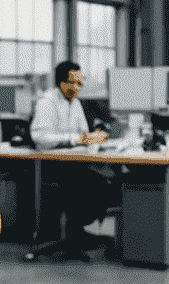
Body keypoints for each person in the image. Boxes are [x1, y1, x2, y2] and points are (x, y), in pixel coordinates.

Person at [29, 60, 115, 256]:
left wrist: (95, 139)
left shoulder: (75, 103)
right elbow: (40, 137)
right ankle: (72, 234)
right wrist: (78, 138)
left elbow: (84, 133)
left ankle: (76, 231)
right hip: (52, 167)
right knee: (96, 184)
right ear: (61, 82)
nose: (77, 88)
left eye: (80, 84)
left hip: (74, 163)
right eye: (72, 83)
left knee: (106, 182)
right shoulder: (47, 103)